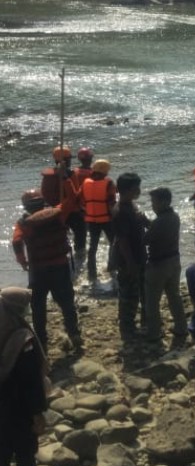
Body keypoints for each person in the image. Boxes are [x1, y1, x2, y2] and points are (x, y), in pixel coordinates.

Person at [11, 189, 82, 353]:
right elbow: (72, 198)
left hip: (38, 270)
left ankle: (42, 342)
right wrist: (66, 178)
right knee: (67, 301)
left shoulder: (24, 223)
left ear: (25, 206)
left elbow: (16, 242)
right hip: (61, 266)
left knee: (38, 306)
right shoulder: (58, 213)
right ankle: (74, 334)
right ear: (42, 202)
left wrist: (22, 261)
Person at [0, 288, 47, 466]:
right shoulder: (22, 339)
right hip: (18, 408)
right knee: (25, 455)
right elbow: (31, 381)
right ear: (20, 310)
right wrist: (38, 412)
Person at [143, 187, 187, 344]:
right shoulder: (174, 217)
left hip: (158, 264)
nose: (152, 205)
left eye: (154, 202)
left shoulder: (159, 221)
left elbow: (146, 240)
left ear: (164, 202)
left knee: (152, 301)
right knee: (174, 295)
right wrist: (149, 223)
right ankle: (181, 327)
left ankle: (154, 332)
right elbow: (159, 231)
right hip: (174, 261)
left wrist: (142, 224)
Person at [111, 172, 151, 341]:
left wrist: (145, 221)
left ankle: (144, 322)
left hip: (139, 256)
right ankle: (127, 329)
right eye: (136, 188)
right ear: (126, 190)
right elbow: (122, 240)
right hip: (129, 259)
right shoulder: (120, 211)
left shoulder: (131, 207)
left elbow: (144, 227)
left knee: (143, 291)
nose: (139, 191)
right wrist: (130, 263)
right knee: (129, 295)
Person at [80, 158, 116, 281]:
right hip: (106, 219)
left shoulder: (85, 182)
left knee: (92, 246)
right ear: (105, 171)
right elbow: (112, 202)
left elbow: (80, 198)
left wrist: (87, 210)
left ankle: (92, 273)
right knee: (113, 242)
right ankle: (112, 267)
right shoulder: (109, 183)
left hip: (91, 220)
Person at [69, 146, 94, 256]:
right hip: (89, 208)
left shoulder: (74, 172)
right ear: (90, 159)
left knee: (79, 233)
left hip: (76, 207)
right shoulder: (93, 173)